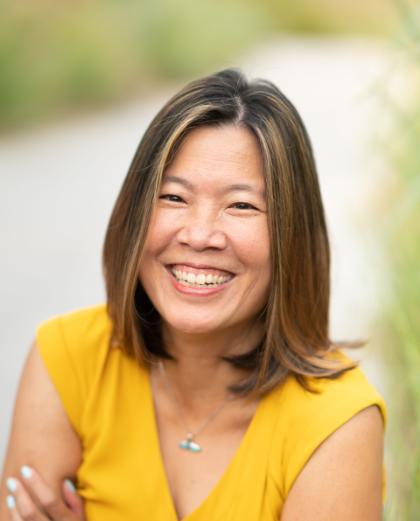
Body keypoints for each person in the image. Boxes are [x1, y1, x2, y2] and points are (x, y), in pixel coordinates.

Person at [0, 68, 386, 521]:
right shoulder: (67, 358)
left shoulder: (337, 423)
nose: (200, 235)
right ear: (135, 211)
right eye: (173, 197)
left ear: (292, 235)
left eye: (241, 205)